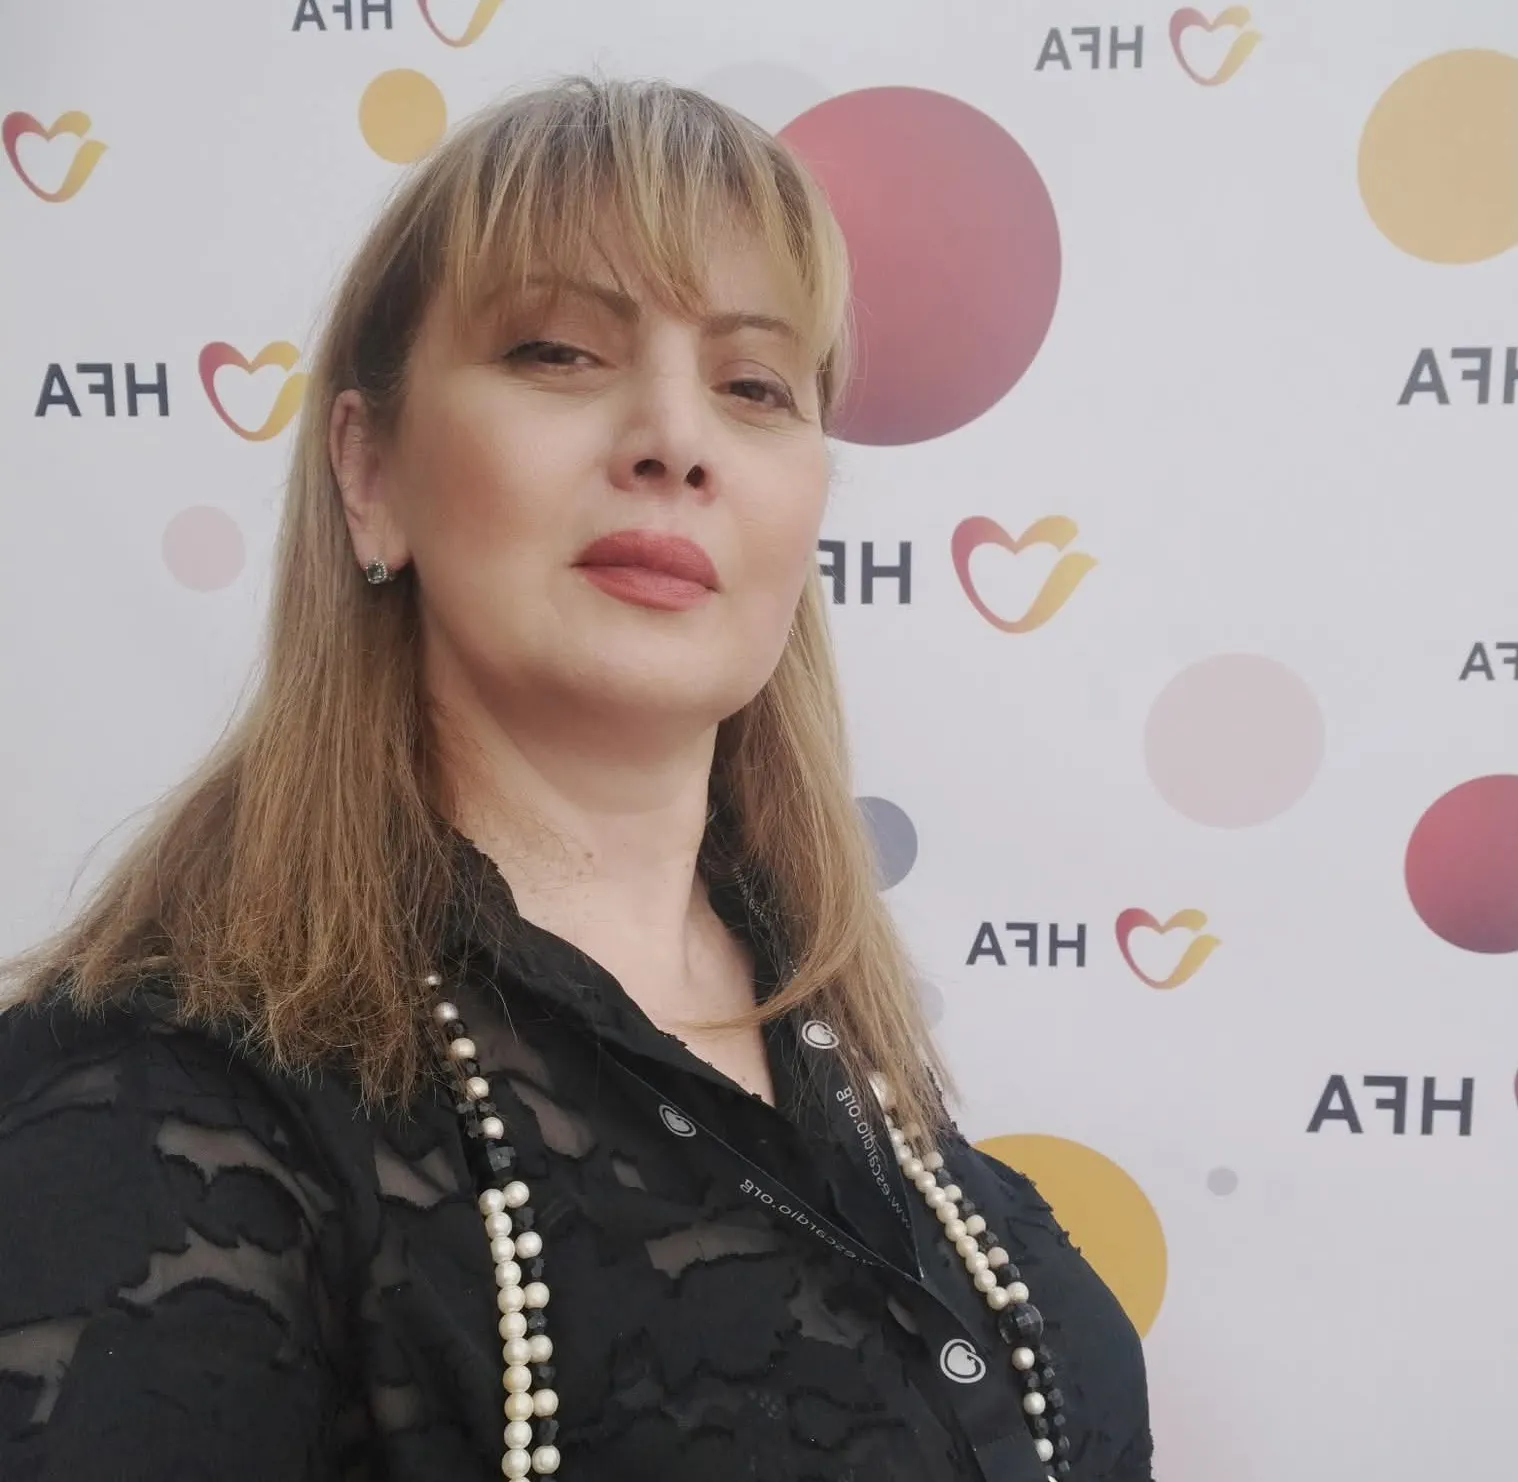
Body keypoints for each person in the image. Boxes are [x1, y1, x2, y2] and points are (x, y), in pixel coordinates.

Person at [0, 75, 1153, 1482]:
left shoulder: (861, 1074)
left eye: (754, 385)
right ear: (370, 472)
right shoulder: (162, 1104)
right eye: (557, 352)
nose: (675, 438)